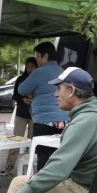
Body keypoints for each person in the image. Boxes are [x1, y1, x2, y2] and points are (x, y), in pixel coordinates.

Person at [18, 41, 69, 171]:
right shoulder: (63, 72)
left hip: (44, 121)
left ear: (45, 56)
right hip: (64, 121)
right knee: (59, 157)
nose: (37, 60)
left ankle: (42, 188)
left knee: (43, 156)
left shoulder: (39, 72)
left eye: (38, 57)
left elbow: (21, 89)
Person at [0, 56, 38, 176]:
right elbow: (15, 95)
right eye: (27, 66)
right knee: (16, 140)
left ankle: (31, 167)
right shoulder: (21, 79)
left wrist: (33, 100)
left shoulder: (39, 79)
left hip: (34, 114)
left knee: (33, 142)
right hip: (21, 113)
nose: (29, 69)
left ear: (36, 67)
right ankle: (9, 165)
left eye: (32, 66)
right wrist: (23, 99)